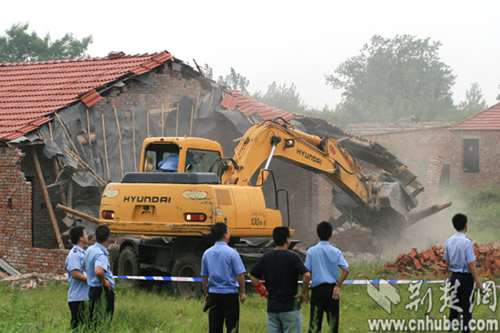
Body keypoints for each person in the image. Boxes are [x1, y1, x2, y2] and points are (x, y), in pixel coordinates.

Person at [248, 227, 311, 333]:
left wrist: (263, 292)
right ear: (287, 240)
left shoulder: (266, 257)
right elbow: (307, 275)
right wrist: (303, 293)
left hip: (272, 308)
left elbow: (252, 276)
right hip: (290, 308)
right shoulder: (293, 257)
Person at [201, 222, 246, 333]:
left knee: (215, 327)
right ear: (225, 235)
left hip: (214, 295)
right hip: (230, 295)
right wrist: (243, 292)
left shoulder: (207, 253)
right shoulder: (232, 253)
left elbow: (204, 276)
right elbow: (240, 275)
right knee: (232, 326)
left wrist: (207, 292)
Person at [305, 221, 349, 333]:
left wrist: (305, 291)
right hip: (332, 291)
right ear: (331, 234)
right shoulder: (336, 251)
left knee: (315, 325)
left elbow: (307, 273)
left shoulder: (311, 251)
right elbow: (346, 269)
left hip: (317, 291)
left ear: (317, 234)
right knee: (333, 326)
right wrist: (338, 286)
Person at [443, 213, 484, 333]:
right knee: (466, 310)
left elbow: (446, 261)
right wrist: (478, 281)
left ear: (454, 225)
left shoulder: (449, 241)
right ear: (466, 225)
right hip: (466, 279)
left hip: (454, 277)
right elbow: (471, 263)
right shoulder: (467, 242)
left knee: (454, 308)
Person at [84, 225, 115, 325]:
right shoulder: (100, 254)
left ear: (96, 237)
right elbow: (98, 271)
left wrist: (90, 274)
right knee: (103, 319)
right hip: (101, 290)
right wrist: (105, 282)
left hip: (92, 289)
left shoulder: (90, 250)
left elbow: (83, 265)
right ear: (108, 237)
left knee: (92, 318)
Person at [65, 226, 89, 330]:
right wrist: (89, 280)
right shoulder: (75, 254)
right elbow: (74, 273)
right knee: (78, 327)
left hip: (85, 296)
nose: (87, 236)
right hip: (78, 298)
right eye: (85, 234)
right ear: (81, 238)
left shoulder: (83, 253)